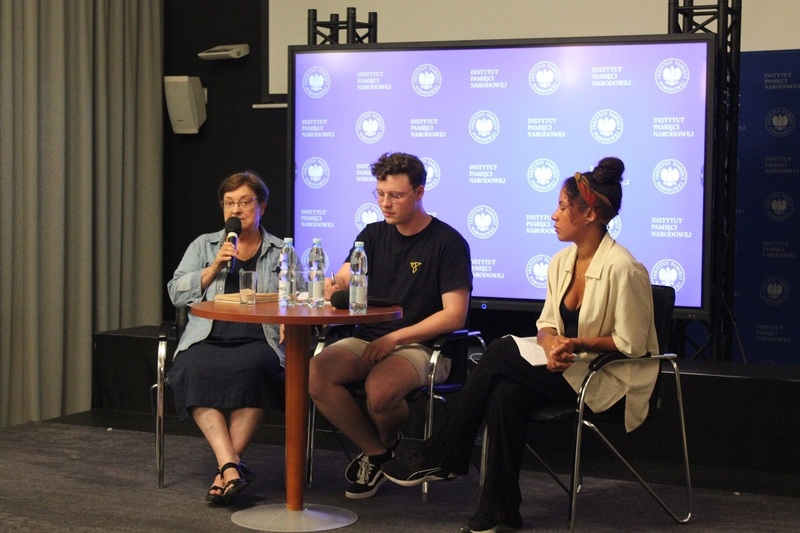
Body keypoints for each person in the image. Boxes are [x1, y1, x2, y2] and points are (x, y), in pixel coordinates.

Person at [382, 157, 660, 532]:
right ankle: (499, 513)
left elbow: (632, 343)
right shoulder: (561, 261)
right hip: (568, 367)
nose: (553, 215)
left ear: (590, 215)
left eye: (562, 207)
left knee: (497, 353)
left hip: (611, 379)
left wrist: (573, 343)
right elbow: (546, 324)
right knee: (505, 394)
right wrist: (551, 346)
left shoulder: (624, 268)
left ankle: (441, 452)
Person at [308, 152, 473, 499]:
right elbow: (342, 277)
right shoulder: (371, 235)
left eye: (396, 195)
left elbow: (454, 315)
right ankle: (379, 453)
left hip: (424, 346)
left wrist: (395, 338)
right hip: (369, 337)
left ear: (420, 192)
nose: (386, 203)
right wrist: (331, 285)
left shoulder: (448, 242)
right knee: (316, 373)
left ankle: (384, 442)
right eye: (380, 194)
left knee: (380, 391)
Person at [167, 171, 287, 505]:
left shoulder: (280, 250)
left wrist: (290, 317)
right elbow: (176, 293)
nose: (236, 209)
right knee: (189, 369)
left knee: (258, 368)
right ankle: (230, 465)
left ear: (261, 206)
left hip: (258, 338)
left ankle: (225, 470)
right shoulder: (204, 246)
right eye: (229, 203)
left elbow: (300, 294)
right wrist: (213, 267)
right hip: (209, 334)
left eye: (245, 202)